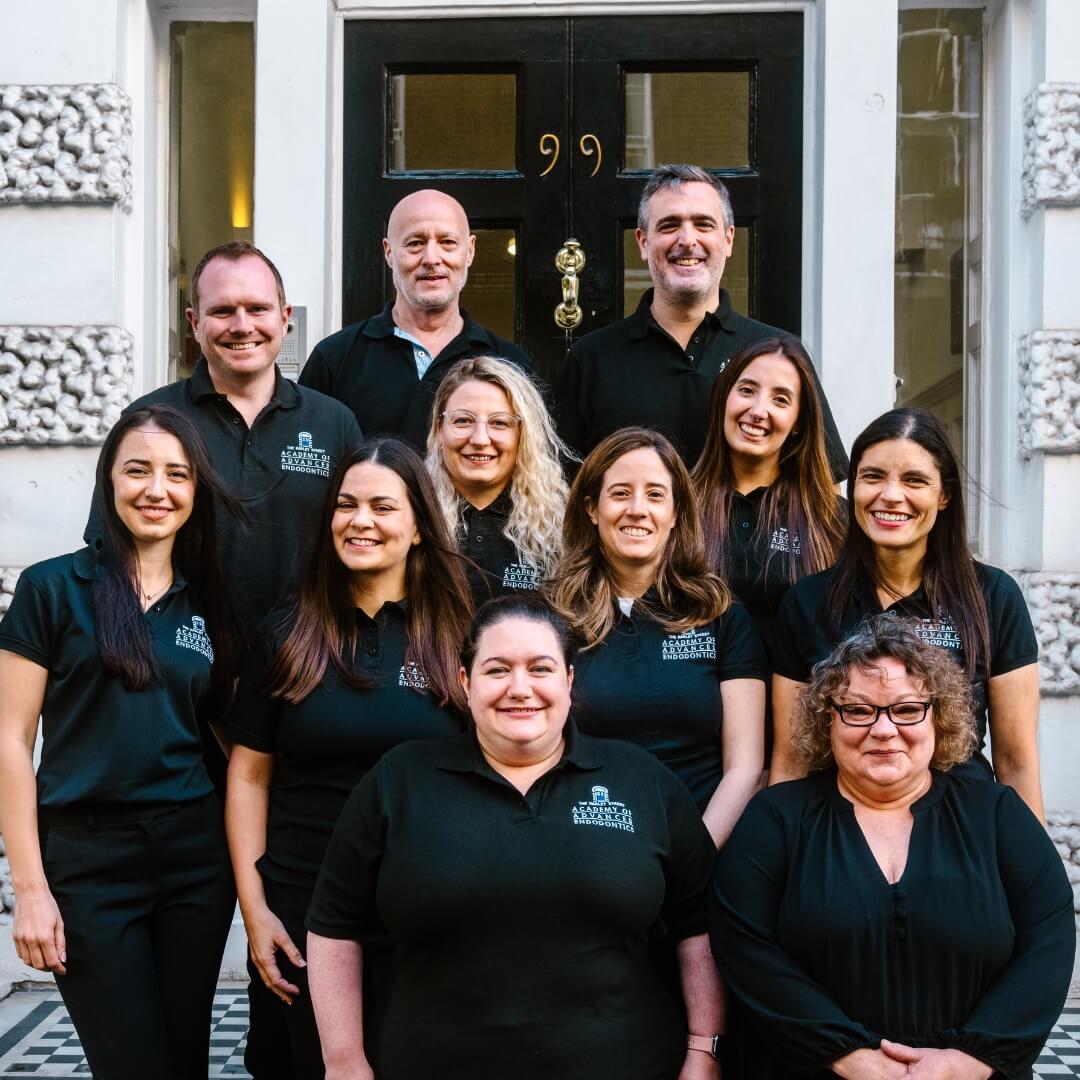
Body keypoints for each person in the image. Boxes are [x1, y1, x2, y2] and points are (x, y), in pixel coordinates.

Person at [84, 240, 363, 1079]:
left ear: (286, 319)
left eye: (257, 309)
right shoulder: (158, 422)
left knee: (291, 919)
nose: (241, 325)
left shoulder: (332, 423)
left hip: (299, 716)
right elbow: (115, 570)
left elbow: (360, 545)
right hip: (183, 723)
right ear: (193, 323)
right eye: (222, 310)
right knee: (191, 943)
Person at [305, 595, 724, 1080]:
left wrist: (703, 1049)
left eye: (540, 669)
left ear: (569, 680)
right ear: (466, 683)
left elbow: (699, 923)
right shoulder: (398, 780)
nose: (519, 688)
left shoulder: (642, 780)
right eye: (497, 670)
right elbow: (334, 925)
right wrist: (343, 1061)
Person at [710, 615, 1074, 1080]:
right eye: (859, 710)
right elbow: (744, 948)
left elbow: (1050, 940)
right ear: (827, 721)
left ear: (939, 718)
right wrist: (850, 1057)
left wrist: (968, 1060)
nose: (883, 730)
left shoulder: (997, 814)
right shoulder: (777, 818)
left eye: (907, 709)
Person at [0, 405, 242, 1078]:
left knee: (185, 1059)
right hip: (88, 863)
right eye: (137, 470)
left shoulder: (210, 603)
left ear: (196, 491)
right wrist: (31, 888)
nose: (156, 490)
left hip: (195, 860)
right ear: (109, 480)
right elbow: (9, 741)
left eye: (176, 474)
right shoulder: (53, 589)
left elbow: (228, 736)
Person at [224, 438, 472, 1078]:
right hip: (302, 900)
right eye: (345, 505)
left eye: (383, 507)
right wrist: (255, 912)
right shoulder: (287, 634)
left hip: (429, 897)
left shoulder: (461, 632)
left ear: (419, 527)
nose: (360, 521)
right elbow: (249, 776)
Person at [768, 407, 1044, 819]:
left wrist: (1031, 874)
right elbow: (790, 762)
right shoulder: (807, 602)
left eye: (914, 480)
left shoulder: (993, 597)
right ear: (853, 487)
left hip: (962, 828)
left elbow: (1017, 762)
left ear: (944, 494)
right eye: (873, 476)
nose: (891, 495)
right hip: (836, 832)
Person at [546, 427, 767, 847]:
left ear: (677, 513)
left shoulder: (721, 615)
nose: (637, 509)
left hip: (704, 846)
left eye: (654, 495)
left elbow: (745, 766)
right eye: (620, 493)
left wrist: (695, 856)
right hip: (585, 850)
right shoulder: (552, 618)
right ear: (592, 509)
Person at [554, 163, 846, 478]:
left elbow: (823, 487)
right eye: (669, 225)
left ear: (729, 239)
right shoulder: (591, 359)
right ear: (642, 242)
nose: (687, 239)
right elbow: (559, 492)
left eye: (703, 224)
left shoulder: (779, 355)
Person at [300, 189, 530, 448]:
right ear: (388, 252)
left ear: (470, 251)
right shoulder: (334, 359)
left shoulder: (509, 364)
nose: (432, 259)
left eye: (447, 242)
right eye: (415, 243)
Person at [692, 335, 846, 654]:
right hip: (701, 699)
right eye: (747, 390)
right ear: (723, 399)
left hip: (801, 699)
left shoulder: (834, 518)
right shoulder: (677, 507)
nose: (758, 410)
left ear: (798, 423)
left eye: (780, 400)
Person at [425, 355, 571, 604]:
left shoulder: (561, 529)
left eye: (499, 423)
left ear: (523, 434)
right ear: (439, 430)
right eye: (463, 421)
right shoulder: (411, 514)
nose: (480, 439)